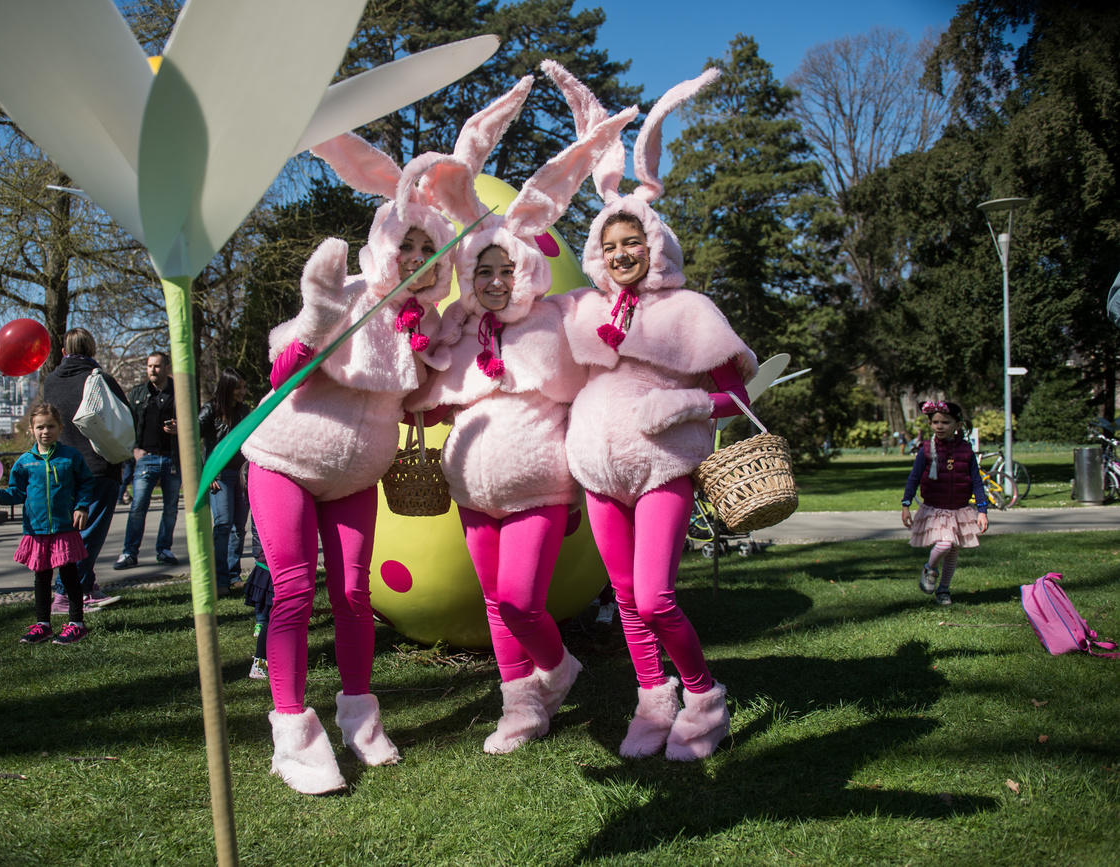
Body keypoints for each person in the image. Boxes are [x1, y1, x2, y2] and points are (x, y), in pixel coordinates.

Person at [237, 117, 483, 793]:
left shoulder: (424, 325)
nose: (414, 259)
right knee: (292, 588)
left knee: (351, 592)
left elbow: (425, 399)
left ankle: (359, 714)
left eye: (426, 249)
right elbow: (282, 367)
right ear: (383, 247)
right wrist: (316, 317)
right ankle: (292, 728)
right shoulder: (347, 297)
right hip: (286, 459)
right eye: (405, 246)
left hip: (358, 475)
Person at [403, 79, 632, 754]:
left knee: (520, 599)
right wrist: (415, 344)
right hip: (472, 489)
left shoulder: (553, 320)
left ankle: (558, 668)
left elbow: (601, 342)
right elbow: (424, 395)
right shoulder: (459, 328)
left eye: (507, 268)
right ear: (470, 276)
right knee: (496, 603)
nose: (496, 280)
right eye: (484, 271)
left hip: (537, 486)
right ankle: (520, 706)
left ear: (526, 268)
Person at [548, 62, 756, 762]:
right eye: (609, 245)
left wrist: (687, 402)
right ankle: (652, 698)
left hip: (663, 463)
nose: (622, 253)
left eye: (632, 241)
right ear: (598, 253)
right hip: (598, 471)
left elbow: (738, 397)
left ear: (654, 241)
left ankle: (704, 695)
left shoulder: (690, 311)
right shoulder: (585, 313)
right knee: (628, 598)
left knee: (659, 594)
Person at [0, 404, 95, 644]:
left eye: (50, 426)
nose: (45, 431)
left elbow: (86, 483)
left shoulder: (70, 457)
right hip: (37, 530)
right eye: (40, 427)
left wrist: (82, 506)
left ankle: (76, 624)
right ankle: (43, 624)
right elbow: (17, 492)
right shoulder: (24, 462)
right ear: (31, 429)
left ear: (60, 428)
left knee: (69, 575)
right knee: (41, 577)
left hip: (64, 528)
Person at [40, 327, 131, 608]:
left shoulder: (50, 382)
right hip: (97, 464)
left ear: (64, 351)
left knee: (74, 530)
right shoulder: (99, 378)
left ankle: (87, 586)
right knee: (88, 533)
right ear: (92, 350)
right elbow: (124, 414)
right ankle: (66, 592)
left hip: (62, 466)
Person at [901, 399, 989, 606]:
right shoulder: (926, 449)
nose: (939, 426)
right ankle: (929, 568)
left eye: (945, 422)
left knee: (953, 551)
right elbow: (914, 477)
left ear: (957, 425)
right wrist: (906, 504)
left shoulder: (966, 451)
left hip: (959, 509)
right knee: (945, 544)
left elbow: (977, 481)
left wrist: (982, 510)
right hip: (936, 509)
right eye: (935, 422)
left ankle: (944, 590)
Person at [115, 352, 180, 570]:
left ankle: (164, 549)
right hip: (146, 458)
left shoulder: (179, 393)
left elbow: (194, 423)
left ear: (166, 367)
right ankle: (129, 552)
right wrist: (133, 449)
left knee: (170, 507)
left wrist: (179, 428)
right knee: (138, 506)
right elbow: (126, 425)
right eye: (149, 366)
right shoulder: (138, 394)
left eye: (157, 366)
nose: (153, 370)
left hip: (172, 458)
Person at [198, 367, 252, 595]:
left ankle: (233, 575)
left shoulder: (244, 411)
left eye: (243, 386)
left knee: (239, 528)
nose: (243, 391)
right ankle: (219, 579)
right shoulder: (210, 409)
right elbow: (193, 438)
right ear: (228, 387)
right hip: (219, 477)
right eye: (239, 386)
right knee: (222, 525)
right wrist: (206, 473)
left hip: (240, 475)